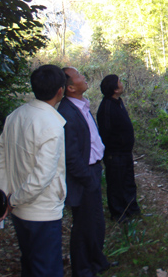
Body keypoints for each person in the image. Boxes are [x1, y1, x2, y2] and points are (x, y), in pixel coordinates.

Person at [0, 64, 67, 277]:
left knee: (30, 263)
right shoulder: (52, 125)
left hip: (19, 211)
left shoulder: (15, 116)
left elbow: (0, 161)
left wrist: (3, 196)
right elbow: (41, 177)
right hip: (41, 211)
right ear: (60, 91)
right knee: (46, 268)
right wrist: (13, 200)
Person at [57, 67, 112, 277]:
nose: (84, 77)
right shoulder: (67, 113)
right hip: (84, 175)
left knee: (95, 221)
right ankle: (82, 269)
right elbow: (70, 155)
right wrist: (87, 177)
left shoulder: (81, 106)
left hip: (93, 170)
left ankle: (96, 260)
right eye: (79, 76)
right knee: (83, 225)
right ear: (70, 87)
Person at [96, 74, 141, 223]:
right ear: (114, 89)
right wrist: (114, 148)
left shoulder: (117, 102)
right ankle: (118, 214)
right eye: (119, 82)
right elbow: (106, 132)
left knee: (128, 182)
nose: (122, 84)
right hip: (115, 154)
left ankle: (132, 210)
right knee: (116, 184)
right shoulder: (107, 107)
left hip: (124, 153)